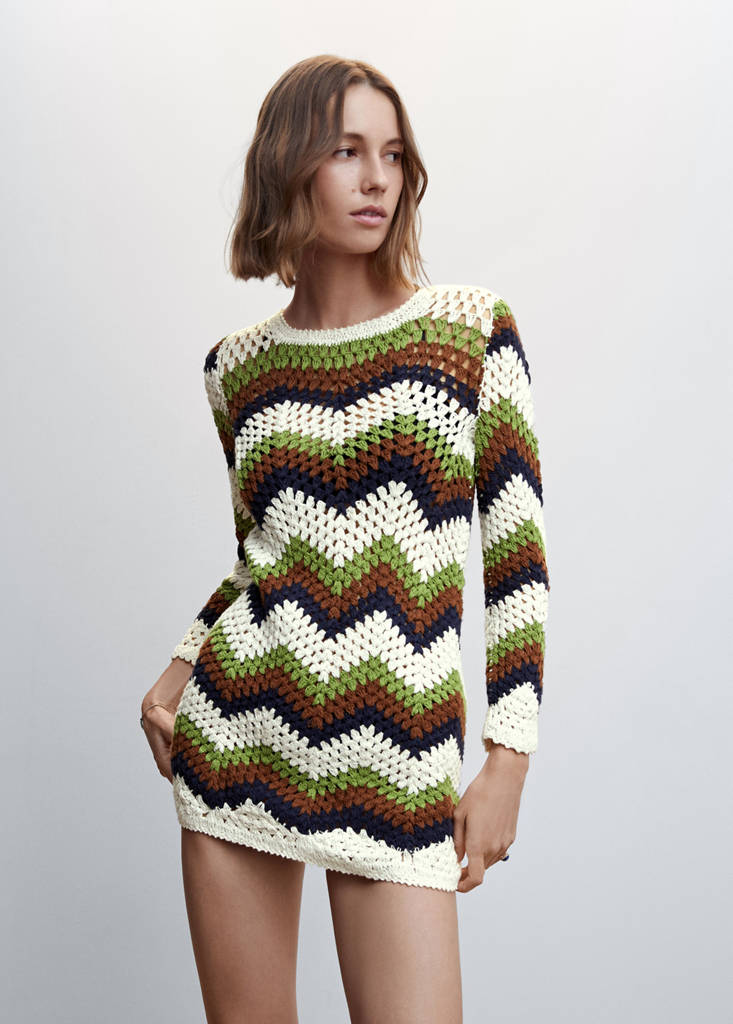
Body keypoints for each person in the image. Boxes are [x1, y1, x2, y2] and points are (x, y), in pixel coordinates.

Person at [141, 54, 549, 1024]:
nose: (377, 179)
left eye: (393, 154)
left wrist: (508, 757)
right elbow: (262, 556)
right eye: (346, 152)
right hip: (241, 742)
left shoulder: (469, 331)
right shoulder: (236, 368)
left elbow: (517, 562)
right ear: (289, 167)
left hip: (396, 758)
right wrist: (180, 665)